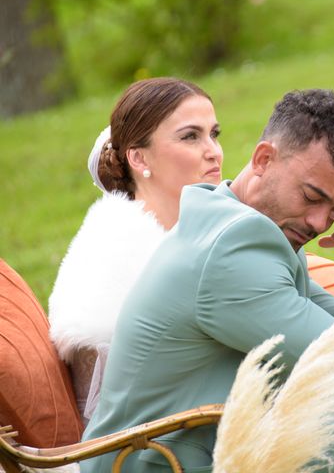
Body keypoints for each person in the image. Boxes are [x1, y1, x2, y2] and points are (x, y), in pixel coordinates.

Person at [81, 89, 334, 472]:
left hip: (209, 438)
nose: (318, 223)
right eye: (312, 196)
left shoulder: (244, 227)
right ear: (263, 159)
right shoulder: (231, 252)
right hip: (158, 462)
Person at [48, 77, 224, 421]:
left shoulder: (192, 233)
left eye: (214, 134)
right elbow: (117, 408)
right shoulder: (117, 257)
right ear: (139, 158)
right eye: (191, 136)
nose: (213, 151)